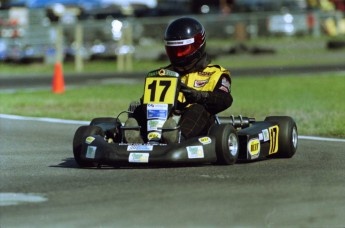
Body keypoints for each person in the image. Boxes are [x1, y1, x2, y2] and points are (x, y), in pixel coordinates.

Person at [124, 17, 233, 143]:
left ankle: (177, 139)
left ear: (197, 44)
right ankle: (137, 139)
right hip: (162, 121)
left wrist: (199, 96)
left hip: (198, 125)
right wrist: (143, 106)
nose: (177, 55)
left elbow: (225, 99)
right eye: (173, 50)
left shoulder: (216, 73)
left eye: (182, 50)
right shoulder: (163, 74)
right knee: (139, 109)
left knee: (197, 109)